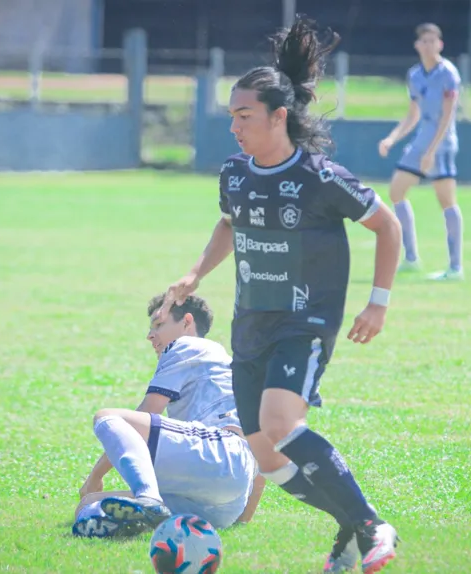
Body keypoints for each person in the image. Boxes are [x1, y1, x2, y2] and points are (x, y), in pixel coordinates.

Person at [160, 17, 400, 574]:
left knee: (280, 423)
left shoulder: (320, 177)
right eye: (232, 117)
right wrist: (196, 273)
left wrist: (378, 301)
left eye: (244, 116)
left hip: (304, 321)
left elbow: (387, 225)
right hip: (252, 325)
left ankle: (370, 525)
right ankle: (348, 522)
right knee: (266, 456)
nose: (235, 127)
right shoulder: (236, 173)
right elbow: (229, 223)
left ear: (278, 116)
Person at [73, 294, 264, 538]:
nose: (150, 335)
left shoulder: (187, 345)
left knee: (109, 417)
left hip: (217, 456)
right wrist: (243, 519)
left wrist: (95, 476)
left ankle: (148, 496)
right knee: (88, 504)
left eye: (159, 324)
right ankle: (138, 517)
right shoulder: (232, 368)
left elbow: (146, 414)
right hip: (227, 503)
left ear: (186, 322)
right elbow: (259, 451)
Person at [378, 23, 464, 281]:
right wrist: (392, 138)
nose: (428, 45)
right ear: (417, 45)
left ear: (440, 44)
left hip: (442, 143)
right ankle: (411, 257)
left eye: (432, 41)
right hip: (421, 141)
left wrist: (431, 150)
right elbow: (413, 114)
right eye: (423, 41)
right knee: (396, 191)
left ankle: (455, 267)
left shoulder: (448, 73)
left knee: (446, 201)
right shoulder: (415, 75)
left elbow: (448, 117)